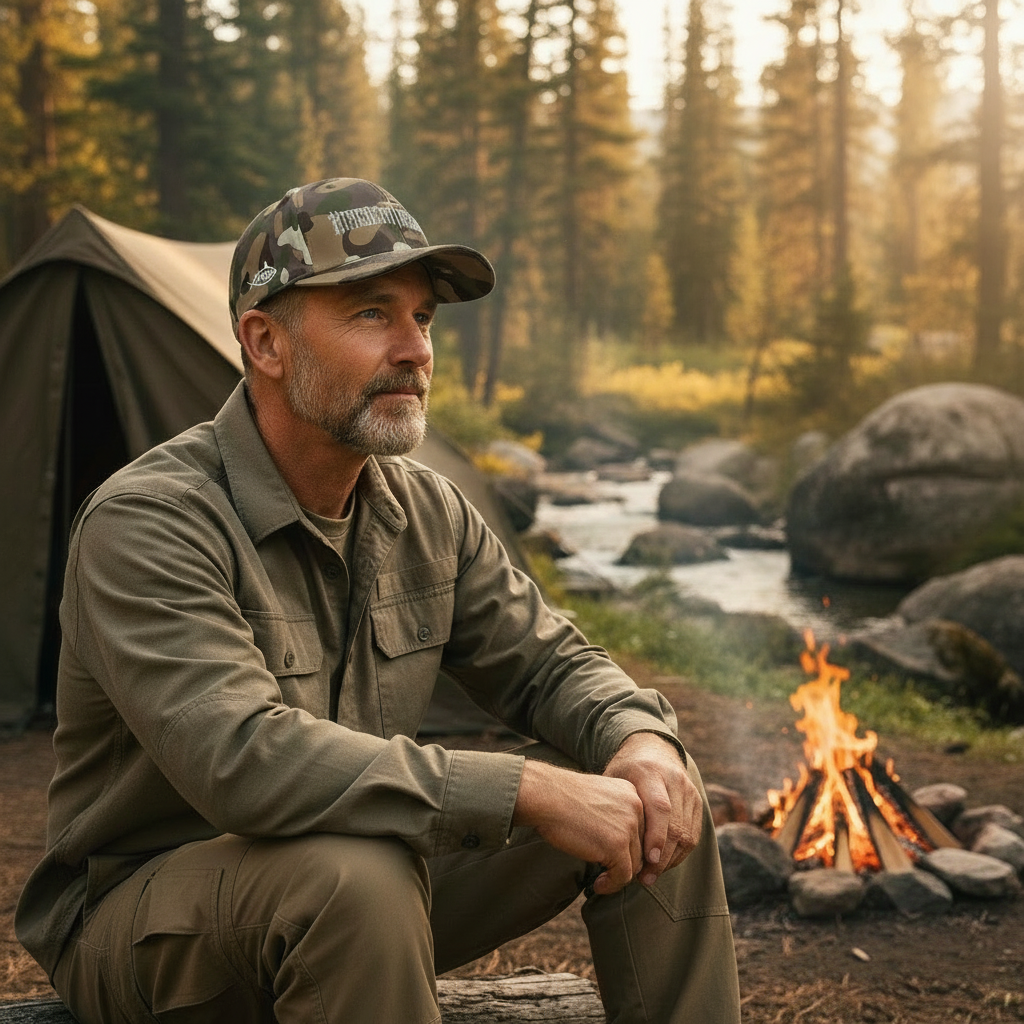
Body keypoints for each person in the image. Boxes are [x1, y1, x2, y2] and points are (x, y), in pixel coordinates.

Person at [16, 177, 741, 1024]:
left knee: (653, 797)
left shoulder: (423, 510)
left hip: (362, 887)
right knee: (355, 878)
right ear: (265, 342)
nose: (416, 350)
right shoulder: (149, 522)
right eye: (372, 314)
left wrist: (640, 737)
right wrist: (525, 789)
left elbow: (551, 666)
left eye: (423, 319)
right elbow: (244, 762)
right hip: (141, 924)